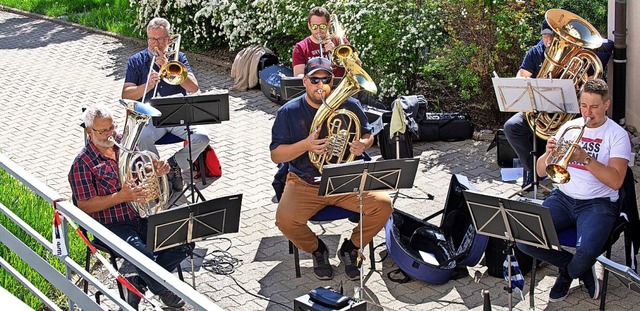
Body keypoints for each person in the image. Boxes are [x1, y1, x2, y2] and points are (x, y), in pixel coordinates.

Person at [270, 57, 393, 280]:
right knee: (285, 220)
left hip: (344, 179)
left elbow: (367, 135)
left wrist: (363, 144)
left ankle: (351, 248)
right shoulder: (288, 112)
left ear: (332, 81)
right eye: (314, 80)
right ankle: (317, 249)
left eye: (325, 79)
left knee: (384, 205)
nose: (320, 85)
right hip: (305, 182)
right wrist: (306, 145)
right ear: (305, 81)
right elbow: (276, 155)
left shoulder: (349, 105)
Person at [516, 79, 632, 302]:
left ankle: (568, 274)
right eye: (584, 106)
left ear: (606, 105)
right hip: (563, 197)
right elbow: (540, 170)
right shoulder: (569, 127)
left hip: (598, 202)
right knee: (524, 239)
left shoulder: (617, 135)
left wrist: (586, 159)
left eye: (594, 107)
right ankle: (576, 268)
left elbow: (616, 181)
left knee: (587, 253)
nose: (588, 113)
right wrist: (549, 154)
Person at [68, 104, 193, 309]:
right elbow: (83, 206)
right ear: (89, 131)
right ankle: (163, 291)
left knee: (184, 240)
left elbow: (137, 170)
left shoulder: (121, 144)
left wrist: (155, 169)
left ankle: (137, 282)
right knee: (143, 255)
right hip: (110, 226)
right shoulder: (82, 164)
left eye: (112, 127)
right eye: (103, 130)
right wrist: (121, 196)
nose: (110, 134)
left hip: (139, 216)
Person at [122, 17, 209, 192]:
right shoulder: (136, 61)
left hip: (178, 118)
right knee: (143, 136)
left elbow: (193, 88)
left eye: (161, 39)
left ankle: (174, 166)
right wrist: (145, 86)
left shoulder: (179, 58)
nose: (156, 44)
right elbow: (126, 94)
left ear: (169, 39)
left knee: (202, 137)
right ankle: (156, 175)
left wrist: (169, 65)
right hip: (151, 119)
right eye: (152, 39)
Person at [291, 7, 387, 110]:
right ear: (309, 26)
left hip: (344, 94)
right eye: (314, 26)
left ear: (328, 24)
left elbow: (358, 66)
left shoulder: (340, 41)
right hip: (316, 97)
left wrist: (334, 51)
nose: (318, 30)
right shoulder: (301, 47)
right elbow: (299, 75)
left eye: (322, 26)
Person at [503, 20, 553, 190]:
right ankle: (533, 170)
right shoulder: (535, 52)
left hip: (561, 113)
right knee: (511, 127)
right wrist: (535, 83)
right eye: (545, 36)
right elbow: (522, 77)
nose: (548, 40)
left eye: (552, 36)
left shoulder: (571, 54)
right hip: (536, 110)